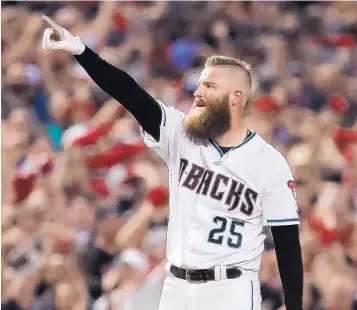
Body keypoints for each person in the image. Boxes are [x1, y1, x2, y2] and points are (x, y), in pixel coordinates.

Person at [41, 15, 303, 310]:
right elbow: (130, 94)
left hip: (232, 290)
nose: (197, 92)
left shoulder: (270, 163)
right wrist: (82, 51)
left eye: (209, 86)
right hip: (177, 288)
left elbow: (288, 246)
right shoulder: (181, 135)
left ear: (235, 98)